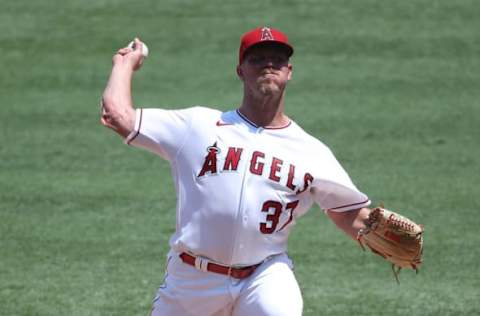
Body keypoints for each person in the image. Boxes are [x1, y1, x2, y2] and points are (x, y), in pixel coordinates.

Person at [101, 26, 372, 316]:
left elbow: (347, 212)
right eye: (257, 59)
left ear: (289, 71)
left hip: (264, 275)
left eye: (277, 59)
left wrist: (394, 233)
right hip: (193, 279)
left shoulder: (311, 151)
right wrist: (124, 63)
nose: (269, 64)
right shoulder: (197, 126)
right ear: (240, 71)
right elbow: (119, 115)